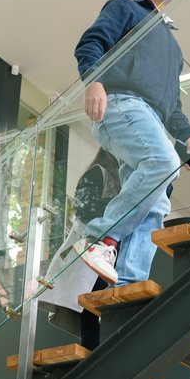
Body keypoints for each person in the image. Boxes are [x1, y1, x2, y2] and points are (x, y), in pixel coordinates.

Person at [72, 0, 190, 287]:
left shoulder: (174, 49)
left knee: (157, 203)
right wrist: (93, 81)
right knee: (162, 162)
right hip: (122, 103)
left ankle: (128, 285)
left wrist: (186, 135)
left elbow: (173, 102)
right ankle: (100, 239)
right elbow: (91, 43)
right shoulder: (125, 8)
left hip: (152, 119)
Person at [41, 148, 121, 348]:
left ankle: (96, 352)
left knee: (96, 308)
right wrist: (121, 203)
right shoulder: (98, 173)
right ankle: (94, 353)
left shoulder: (117, 179)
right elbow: (84, 209)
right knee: (90, 306)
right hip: (89, 253)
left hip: (104, 255)